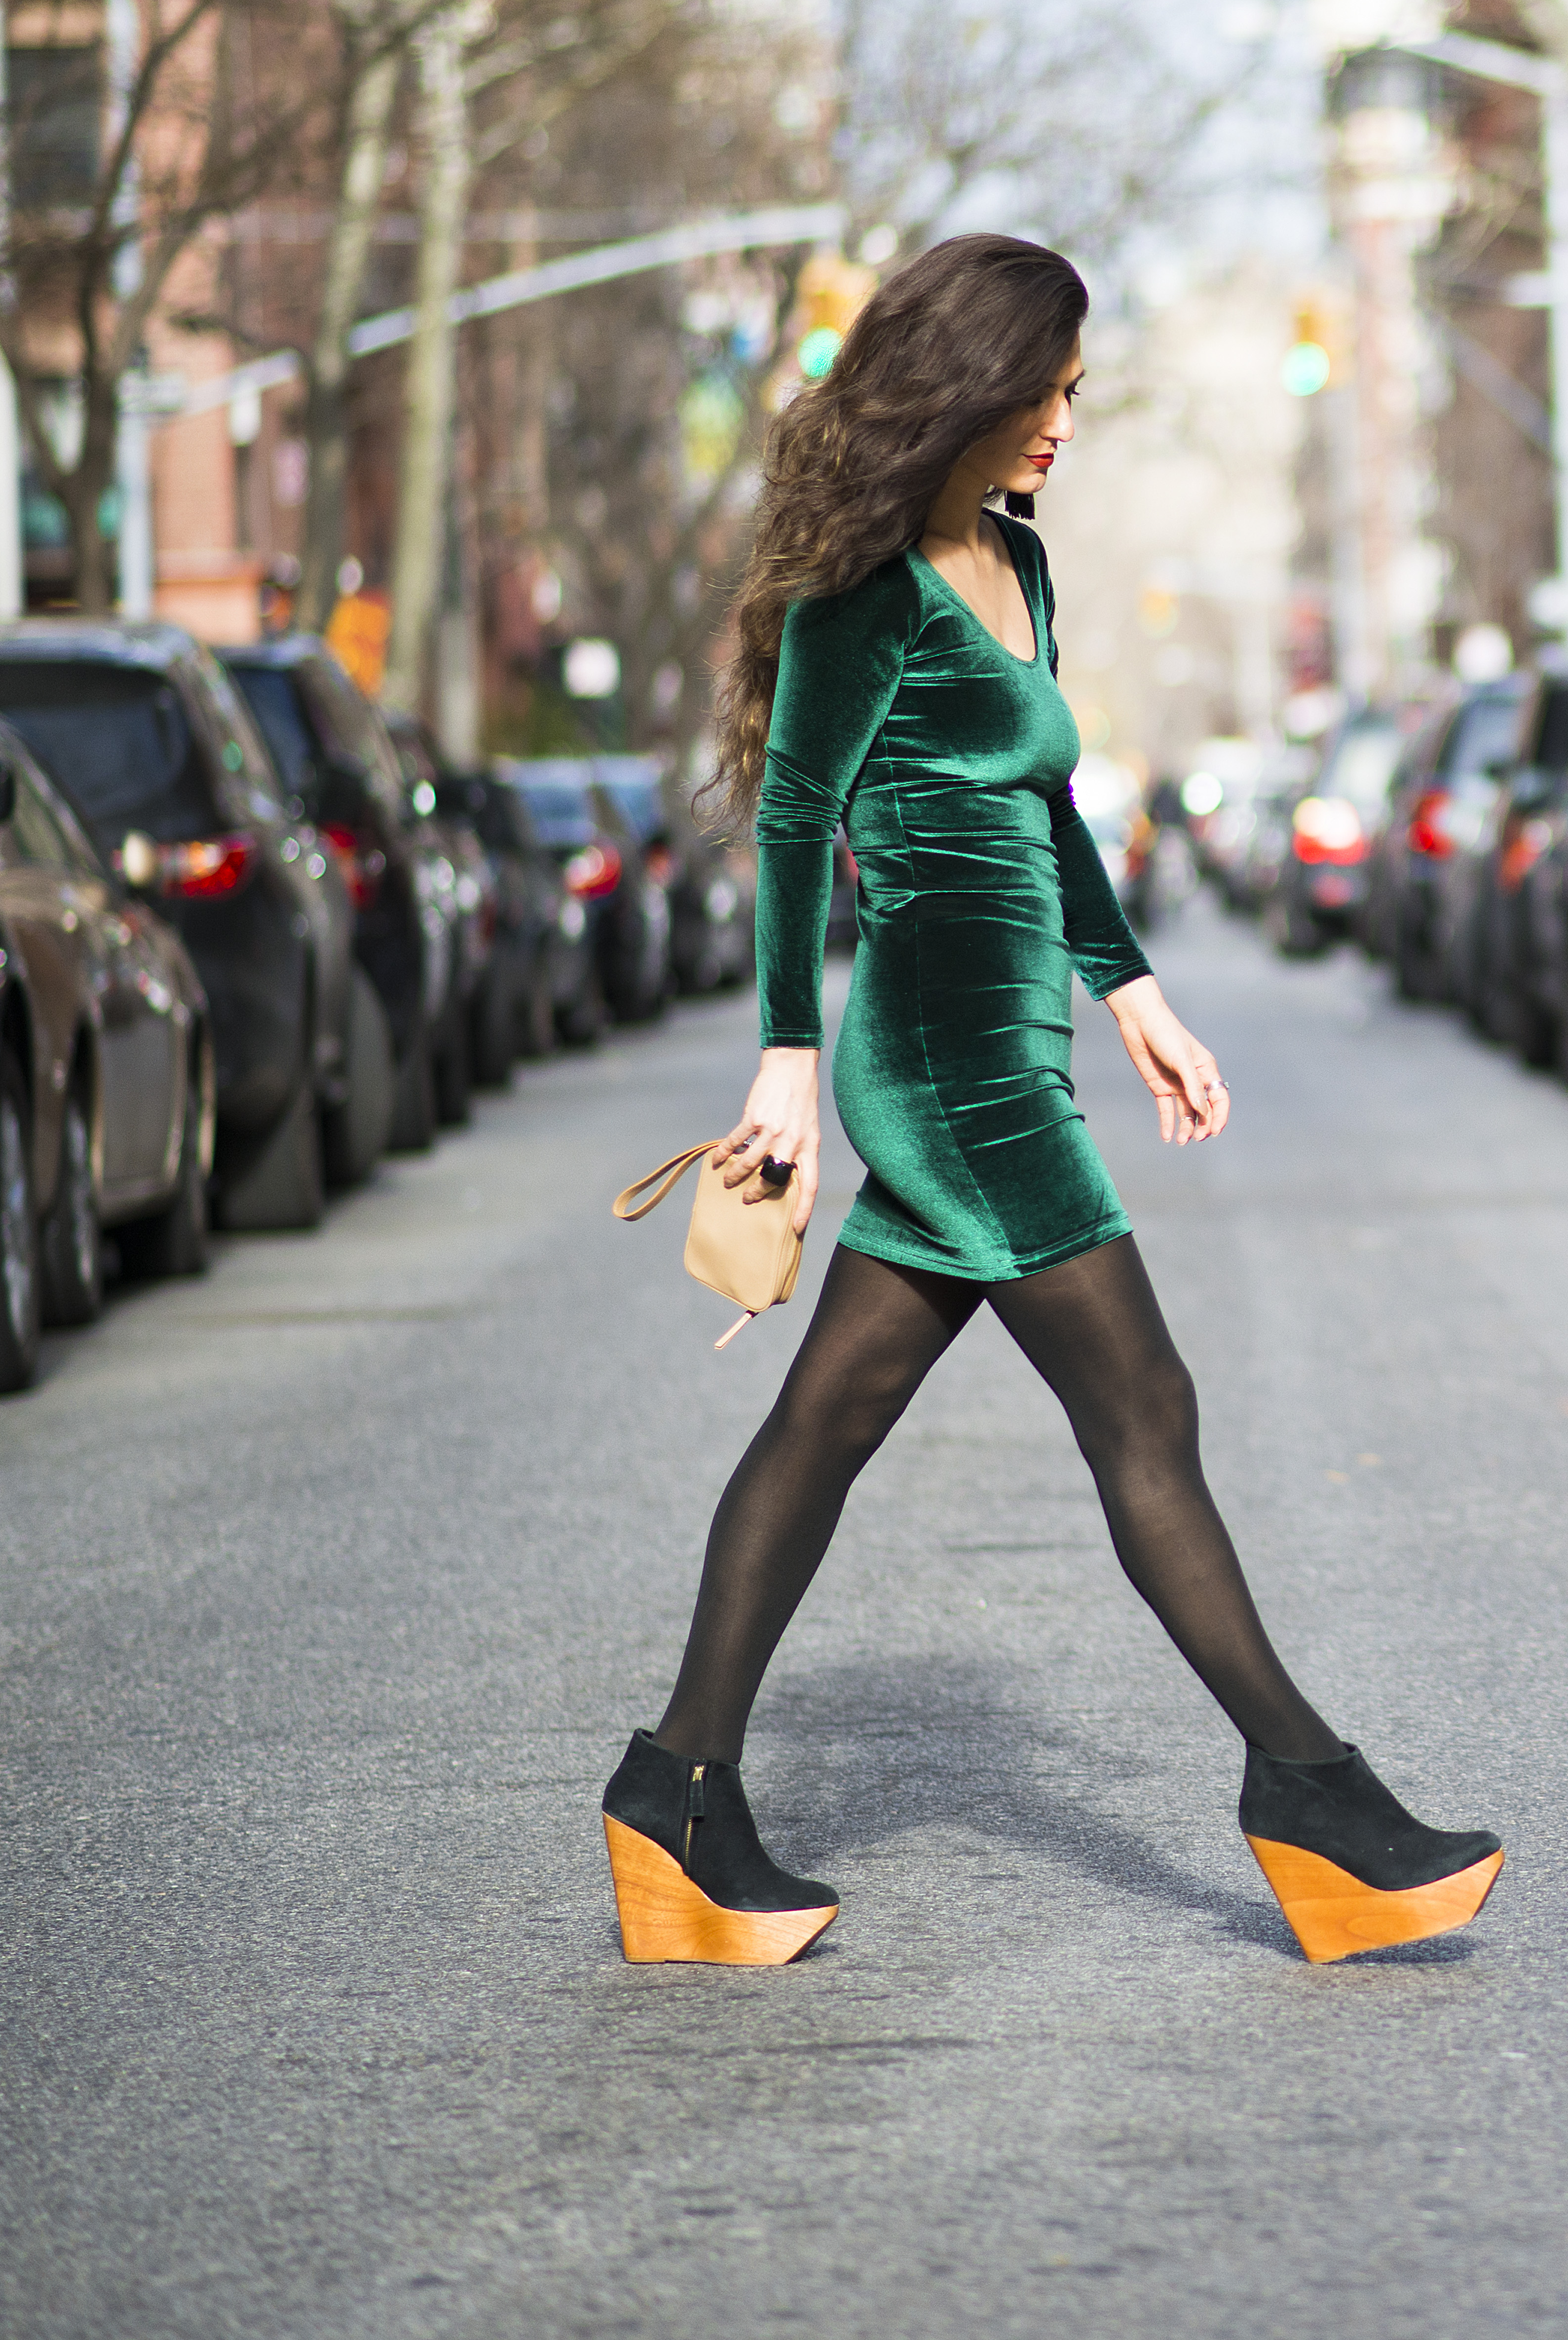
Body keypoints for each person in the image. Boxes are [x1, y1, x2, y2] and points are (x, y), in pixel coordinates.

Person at [599, 235, 1500, 1971]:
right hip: (944, 1055)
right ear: (970, 385)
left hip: (1020, 1042)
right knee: (1142, 1404)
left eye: (1077, 394)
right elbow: (798, 822)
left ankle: (676, 1792)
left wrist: (1139, 996)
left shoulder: (1014, 562)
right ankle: (1309, 1792)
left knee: (828, 1421)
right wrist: (788, 1056)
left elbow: (1046, 811)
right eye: (1047, 391)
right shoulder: (868, 602)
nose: (1063, 427)